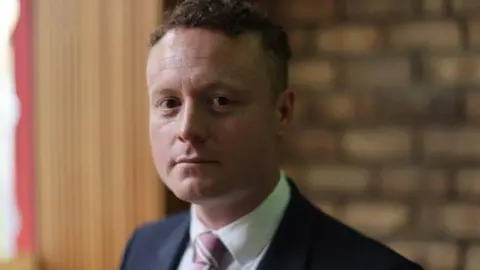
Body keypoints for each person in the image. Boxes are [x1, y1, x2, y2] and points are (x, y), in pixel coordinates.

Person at [120, 0, 424, 269]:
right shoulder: (142, 248)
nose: (188, 129)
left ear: (282, 112)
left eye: (220, 101)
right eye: (169, 103)